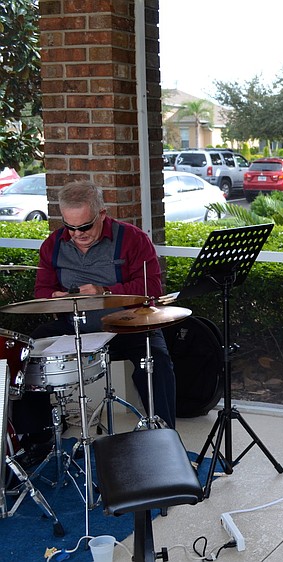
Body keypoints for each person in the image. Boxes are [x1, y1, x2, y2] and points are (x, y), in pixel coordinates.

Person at [13, 180, 177, 457]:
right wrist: (55, 296)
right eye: (70, 227)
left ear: (102, 214)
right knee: (26, 353)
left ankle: (164, 438)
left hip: (127, 327)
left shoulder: (133, 239)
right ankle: (37, 437)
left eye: (85, 227)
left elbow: (153, 288)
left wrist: (105, 291)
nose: (78, 235)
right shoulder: (53, 244)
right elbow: (40, 290)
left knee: (157, 360)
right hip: (74, 327)